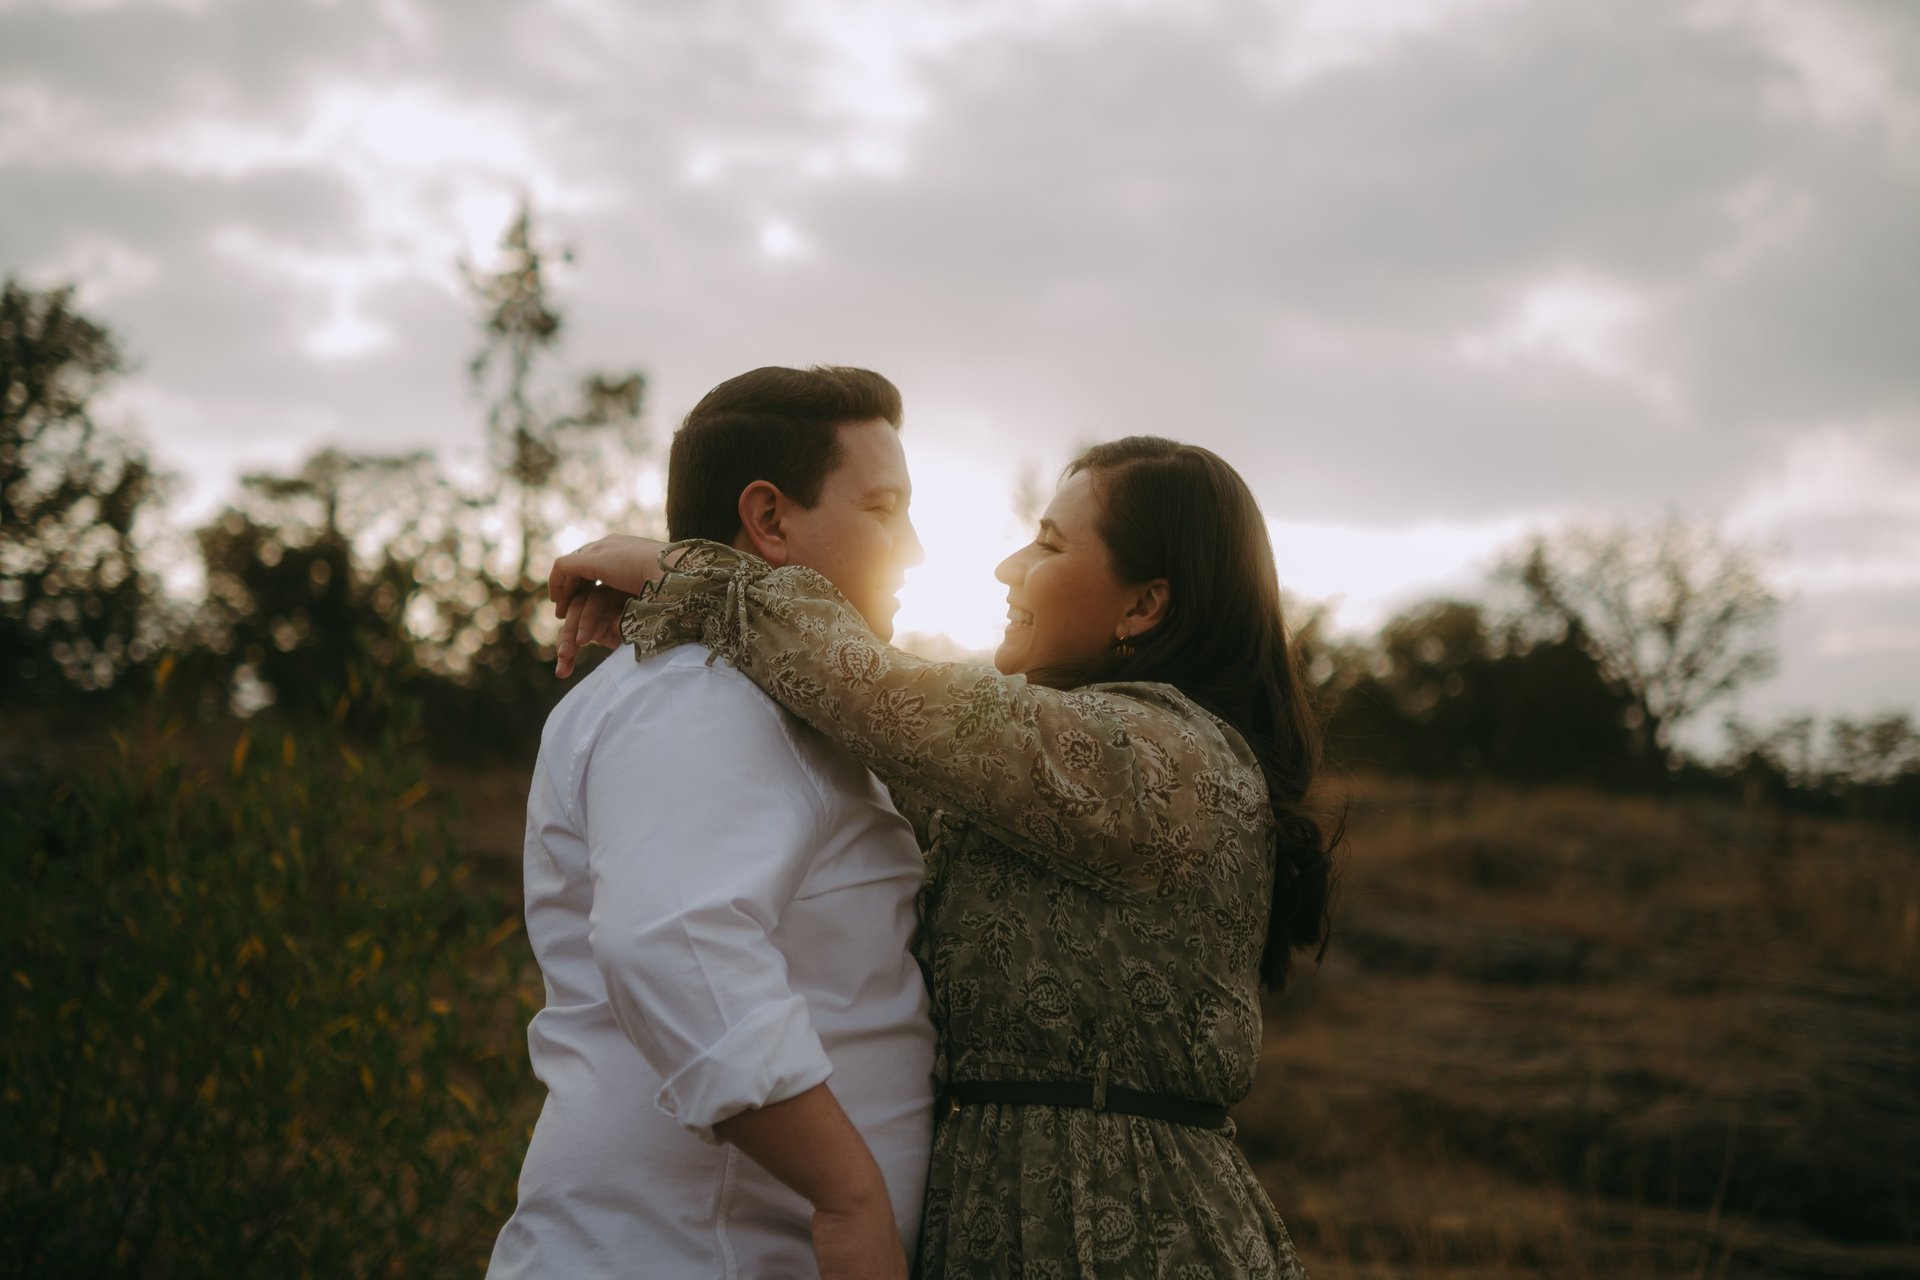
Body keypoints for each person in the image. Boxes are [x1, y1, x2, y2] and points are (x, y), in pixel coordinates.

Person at [549, 436, 1338, 1278]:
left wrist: (686, 574)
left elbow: (878, 691)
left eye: (1048, 544)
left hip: (1134, 1235)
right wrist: (675, 613)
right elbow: (840, 714)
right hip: (984, 1224)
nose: (1007, 566)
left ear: (1143, 606)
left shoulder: (1167, 758)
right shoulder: (1022, 778)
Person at [488, 366, 937, 1280]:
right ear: (769, 520)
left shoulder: (760, 697)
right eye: (885, 508)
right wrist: (850, 1197)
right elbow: (670, 937)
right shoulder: (709, 693)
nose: (916, 548)